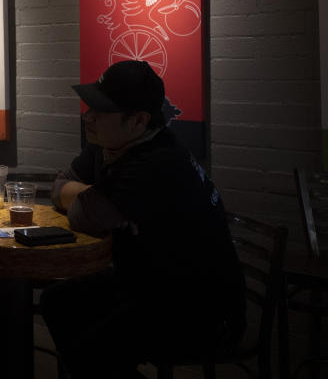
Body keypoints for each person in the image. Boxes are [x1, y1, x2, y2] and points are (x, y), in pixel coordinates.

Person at [40, 60, 246, 378]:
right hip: (150, 284)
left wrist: (86, 198)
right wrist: (92, 195)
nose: (88, 116)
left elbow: (82, 214)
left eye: (101, 110)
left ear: (138, 121)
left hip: (198, 308)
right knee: (58, 301)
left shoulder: (156, 162)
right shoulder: (110, 144)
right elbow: (59, 188)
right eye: (89, 105)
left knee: (91, 348)